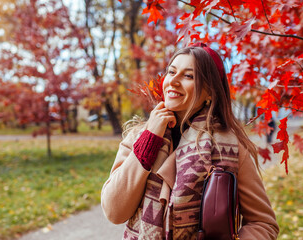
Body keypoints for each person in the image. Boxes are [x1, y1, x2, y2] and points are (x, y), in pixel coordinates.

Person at [101, 42, 279, 239]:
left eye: (188, 76)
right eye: (171, 72)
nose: (174, 81)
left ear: (210, 92)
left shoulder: (230, 148)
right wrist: (149, 139)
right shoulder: (138, 137)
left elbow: (263, 223)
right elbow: (114, 212)